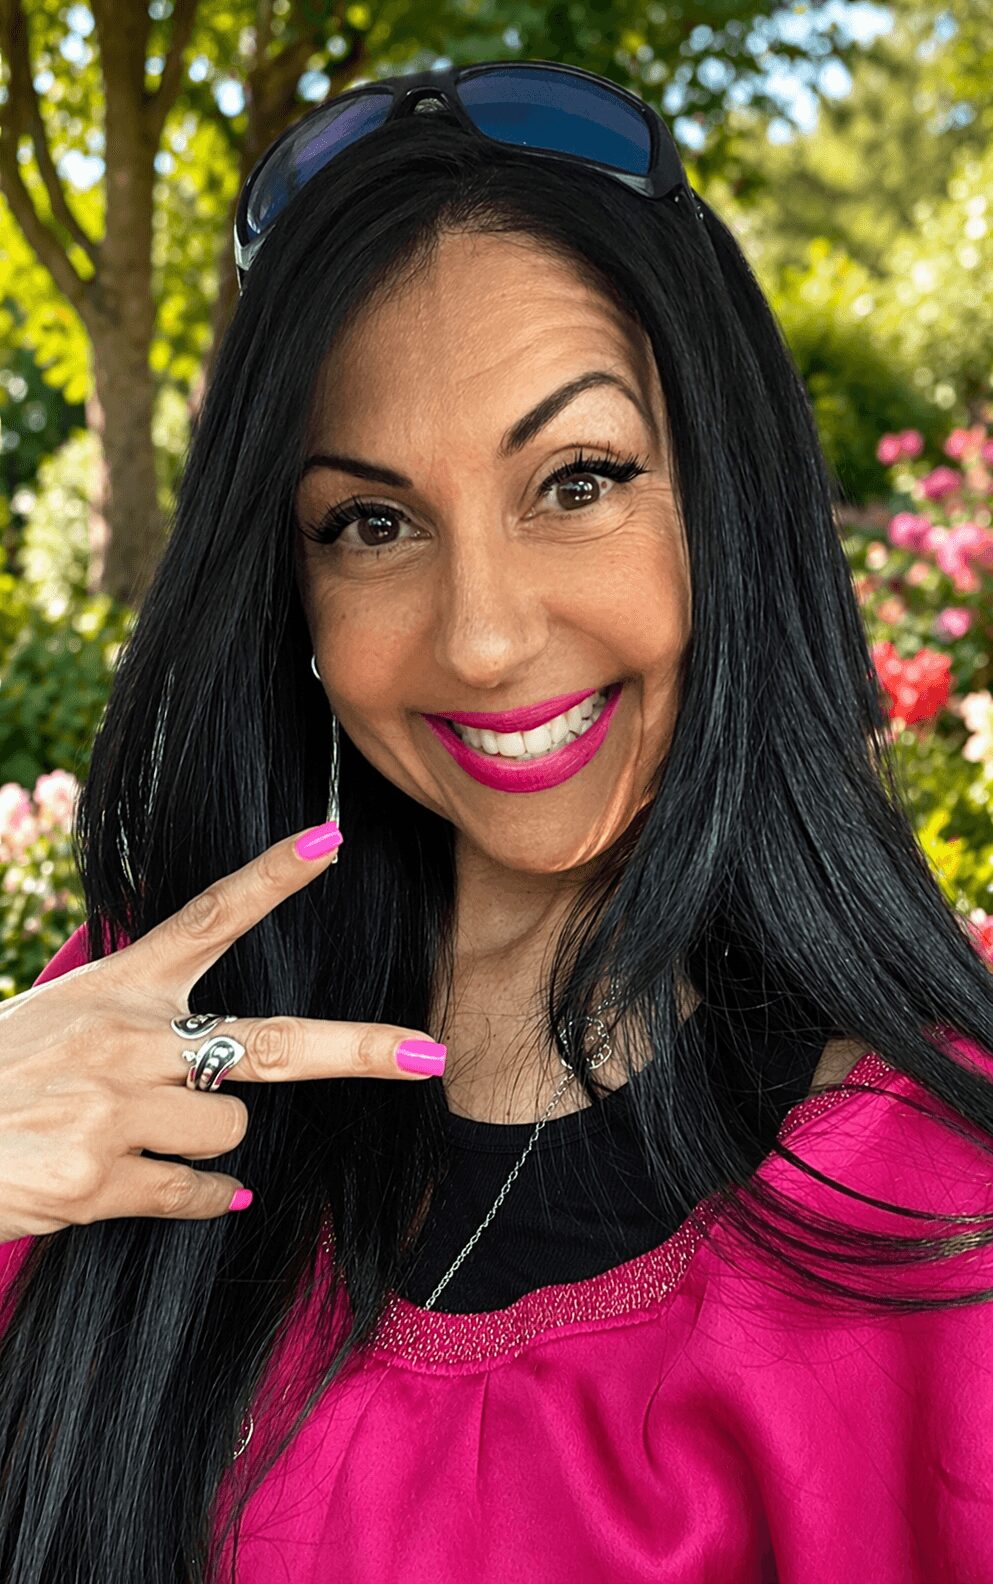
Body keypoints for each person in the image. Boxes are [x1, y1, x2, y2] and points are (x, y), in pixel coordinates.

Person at [0, 58, 992, 1584]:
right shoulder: (120, 1038)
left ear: (729, 500)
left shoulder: (944, 1197)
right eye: (372, 523)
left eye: (577, 480)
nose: (477, 639)